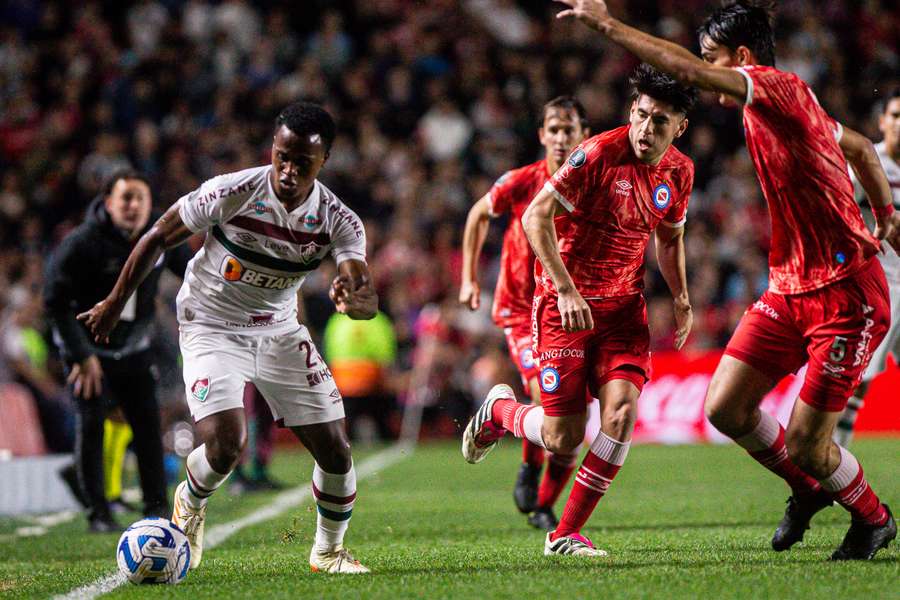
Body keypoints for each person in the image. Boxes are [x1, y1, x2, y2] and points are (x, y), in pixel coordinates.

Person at [551, 0, 900, 560]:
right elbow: (857, 145)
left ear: (740, 59)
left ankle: (874, 518)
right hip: (789, 287)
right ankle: (808, 492)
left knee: (810, 444)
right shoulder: (783, 105)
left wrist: (607, 24)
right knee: (724, 408)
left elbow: (686, 73)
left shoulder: (776, 88)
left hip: (845, 293)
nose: (708, 77)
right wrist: (885, 215)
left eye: (714, 61)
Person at [78, 102, 378, 574]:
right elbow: (158, 235)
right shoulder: (233, 190)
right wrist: (115, 302)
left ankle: (328, 551)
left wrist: (356, 300)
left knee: (337, 450)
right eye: (282, 156)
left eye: (303, 162)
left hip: (278, 329)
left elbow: (362, 290)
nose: (288, 170)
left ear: (325, 162)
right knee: (225, 443)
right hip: (211, 324)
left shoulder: (339, 220)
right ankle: (191, 504)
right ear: (273, 149)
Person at [463, 64, 697, 556]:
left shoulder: (680, 171)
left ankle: (564, 534)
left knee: (621, 414)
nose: (646, 130)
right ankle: (500, 411)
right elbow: (534, 216)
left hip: (622, 314)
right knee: (562, 436)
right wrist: (566, 290)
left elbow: (670, 238)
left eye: (661, 122)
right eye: (642, 116)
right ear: (631, 112)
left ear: (680, 128)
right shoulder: (595, 154)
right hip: (562, 309)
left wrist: (679, 295)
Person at [459, 96, 589, 531]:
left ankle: (542, 504)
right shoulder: (523, 181)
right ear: (541, 136)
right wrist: (469, 278)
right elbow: (479, 214)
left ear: (583, 136)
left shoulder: (591, 184)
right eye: (553, 129)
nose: (560, 137)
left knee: (574, 415)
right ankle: (530, 472)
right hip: (519, 309)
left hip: (563, 310)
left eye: (568, 129)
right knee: (540, 392)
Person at [44, 169, 193, 532]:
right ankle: (99, 513)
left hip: (135, 346)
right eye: (125, 198)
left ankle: (156, 510)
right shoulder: (81, 243)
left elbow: (194, 271)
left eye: (140, 198)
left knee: (146, 425)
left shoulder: (160, 236)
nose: (133, 206)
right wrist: (81, 355)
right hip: (88, 352)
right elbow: (55, 302)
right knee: (91, 424)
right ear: (108, 202)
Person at [834, 88, 900, 447]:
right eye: (895, 116)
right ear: (882, 122)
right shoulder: (868, 162)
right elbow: (838, 208)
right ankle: (831, 462)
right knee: (860, 378)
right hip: (881, 286)